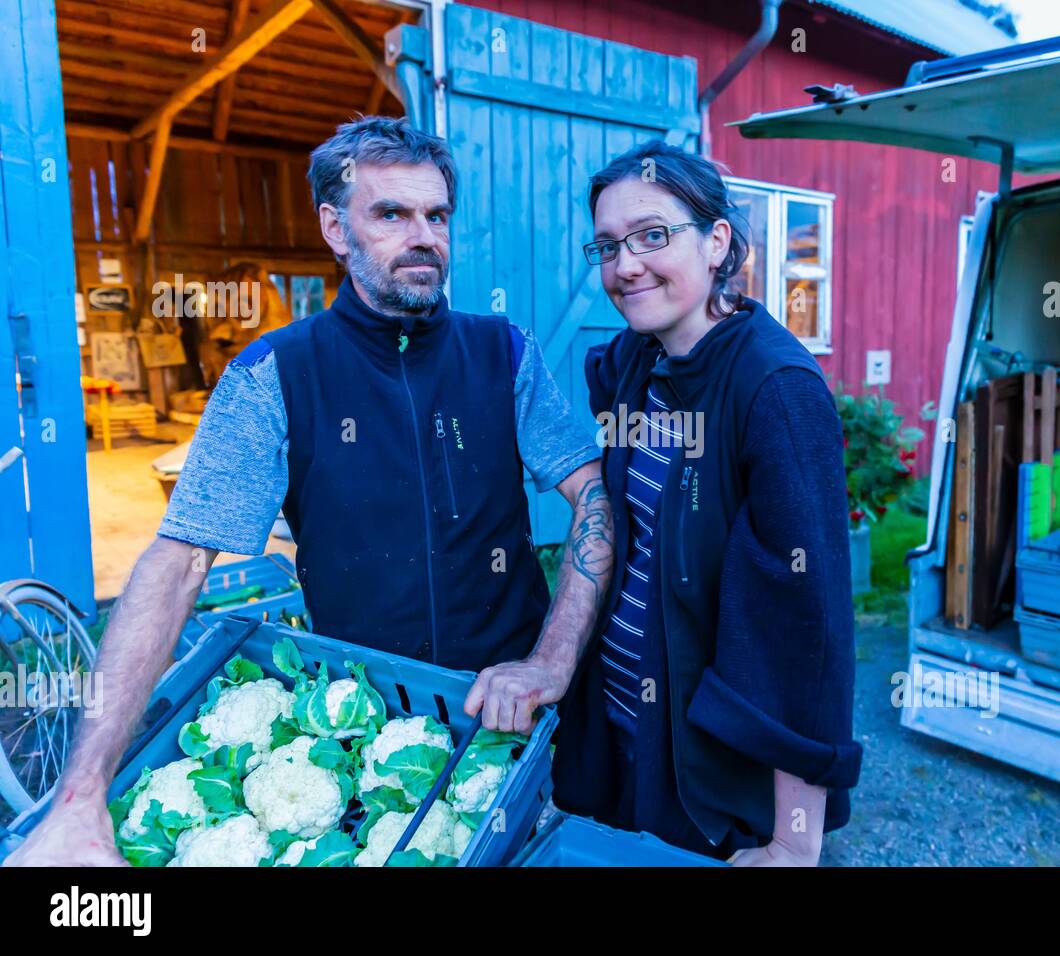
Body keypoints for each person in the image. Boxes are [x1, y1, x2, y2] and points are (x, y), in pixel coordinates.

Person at [5, 116, 613, 866]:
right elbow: (178, 563)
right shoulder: (275, 376)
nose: (423, 236)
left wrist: (552, 659)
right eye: (391, 213)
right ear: (334, 226)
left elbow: (595, 497)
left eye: (437, 215)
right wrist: (80, 794)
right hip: (364, 731)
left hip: (515, 712)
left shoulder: (503, 353)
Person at [548, 141, 862, 865]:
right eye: (607, 246)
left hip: (707, 776)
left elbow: (806, 628)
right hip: (620, 736)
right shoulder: (636, 361)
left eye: (653, 235)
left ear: (718, 241)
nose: (624, 266)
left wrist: (792, 842)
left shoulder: (775, 390)